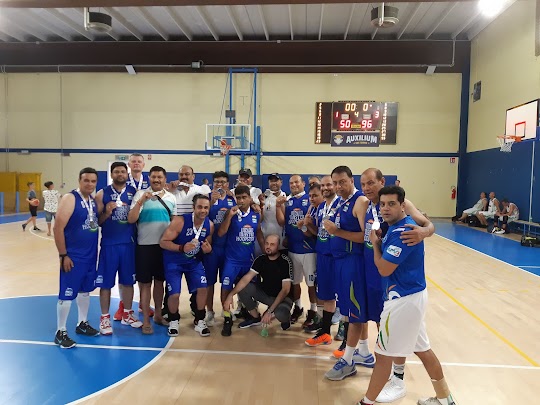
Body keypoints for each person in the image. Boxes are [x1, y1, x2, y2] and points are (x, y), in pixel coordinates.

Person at [358, 185, 457, 405]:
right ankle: (445, 399)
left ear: (403, 205)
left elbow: (384, 269)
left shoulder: (403, 233)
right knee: (423, 350)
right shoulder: (397, 227)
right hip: (412, 295)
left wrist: (375, 245)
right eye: (383, 204)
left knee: (382, 356)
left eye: (391, 204)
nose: (385, 208)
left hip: (402, 300)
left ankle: (366, 402)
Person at [322, 166, 373, 381]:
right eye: (335, 183)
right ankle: (364, 351)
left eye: (342, 182)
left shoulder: (360, 201)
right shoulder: (341, 202)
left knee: (354, 313)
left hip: (353, 262)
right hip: (341, 262)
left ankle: (349, 360)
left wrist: (337, 232)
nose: (338, 186)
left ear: (352, 180)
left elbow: (365, 236)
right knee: (354, 310)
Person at [53, 167, 100, 349]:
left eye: (93, 181)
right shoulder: (70, 198)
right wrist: (63, 254)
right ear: (79, 181)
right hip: (73, 257)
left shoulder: (92, 201)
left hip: (90, 256)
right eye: (86, 180)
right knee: (67, 294)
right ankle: (60, 331)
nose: (90, 184)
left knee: (85, 291)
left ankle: (82, 323)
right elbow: (58, 227)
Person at [95, 162, 142, 335]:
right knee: (106, 283)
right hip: (109, 245)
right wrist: (107, 212)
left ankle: (127, 314)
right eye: (117, 172)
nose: (120, 174)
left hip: (128, 244)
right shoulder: (102, 193)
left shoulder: (134, 192)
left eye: (123, 171)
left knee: (128, 281)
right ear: (111, 174)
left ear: (127, 174)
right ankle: (105, 318)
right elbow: (97, 221)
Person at [128, 166, 176, 335]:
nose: (156, 180)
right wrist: (141, 201)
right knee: (145, 284)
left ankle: (157, 315)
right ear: (149, 178)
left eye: (159, 177)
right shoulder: (140, 195)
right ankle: (146, 321)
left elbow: (173, 223)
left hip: (164, 247)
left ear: (165, 179)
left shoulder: (171, 197)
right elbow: (131, 219)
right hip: (144, 247)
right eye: (153, 177)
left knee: (160, 283)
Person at [160, 194, 214, 337]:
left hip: (193, 262)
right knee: (175, 294)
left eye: (206, 208)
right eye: (200, 207)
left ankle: (200, 320)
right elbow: (163, 242)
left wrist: (208, 250)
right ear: (193, 207)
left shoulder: (209, 225)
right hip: (174, 262)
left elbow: (207, 245)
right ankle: (173, 321)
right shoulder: (180, 221)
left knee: (203, 288)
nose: (203, 210)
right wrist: (181, 247)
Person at [218, 185, 264, 337]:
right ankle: (227, 317)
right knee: (226, 288)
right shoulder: (231, 213)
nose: (241, 200)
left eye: (244, 197)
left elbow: (258, 233)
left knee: (248, 288)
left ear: (250, 198)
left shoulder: (256, 214)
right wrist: (229, 217)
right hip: (232, 260)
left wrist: (265, 250)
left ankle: (249, 311)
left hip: (248, 260)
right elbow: (221, 232)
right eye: (238, 198)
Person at [223, 234, 293, 330]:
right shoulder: (260, 260)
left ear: (278, 246)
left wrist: (269, 311)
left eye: (272, 244)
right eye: (267, 243)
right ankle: (255, 317)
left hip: (283, 298)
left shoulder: (285, 262)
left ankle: (285, 319)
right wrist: (230, 295)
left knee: (281, 313)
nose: (268, 247)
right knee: (243, 287)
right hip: (266, 295)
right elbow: (246, 278)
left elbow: (285, 290)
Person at [276, 174, 317, 327]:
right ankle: (298, 307)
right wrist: (278, 206)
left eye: (296, 182)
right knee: (295, 282)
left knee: (311, 283)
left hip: (309, 249)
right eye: (291, 183)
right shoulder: (288, 201)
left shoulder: (310, 199)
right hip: (293, 248)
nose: (293, 185)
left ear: (303, 183)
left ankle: (313, 310)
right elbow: (283, 222)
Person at [304, 176, 340, 345]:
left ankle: (345, 333)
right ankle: (325, 332)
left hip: (337, 256)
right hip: (322, 255)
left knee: (342, 296)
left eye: (329, 185)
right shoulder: (321, 208)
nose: (326, 188)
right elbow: (318, 232)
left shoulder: (341, 204)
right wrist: (308, 224)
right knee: (327, 296)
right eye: (323, 185)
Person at [115, 153, 150, 320]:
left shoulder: (150, 182)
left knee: (143, 270)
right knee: (124, 271)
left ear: (143, 165)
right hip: (126, 230)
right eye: (133, 161)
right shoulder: (121, 182)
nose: (136, 164)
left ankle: (143, 304)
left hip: (145, 230)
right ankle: (123, 304)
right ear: (129, 164)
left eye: (139, 161)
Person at [202, 171, 236, 326]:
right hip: (211, 247)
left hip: (228, 247)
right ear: (212, 183)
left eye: (223, 182)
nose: (220, 184)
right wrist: (210, 202)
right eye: (217, 182)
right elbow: (200, 217)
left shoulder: (232, 199)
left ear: (227, 184)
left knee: (227, 281)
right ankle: (209, 312)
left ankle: (226, 309)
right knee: (209, 282)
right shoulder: (207, 198)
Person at [260, 173, 286, 249]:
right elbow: (260, 219)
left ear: (281, 182)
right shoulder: (264, 198)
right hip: (266, 237)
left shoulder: (287, 197)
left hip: (282, 237)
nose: (274, 183)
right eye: (271, 181)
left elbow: (284, 221)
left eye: (276, 181)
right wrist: (261, 206)